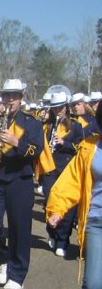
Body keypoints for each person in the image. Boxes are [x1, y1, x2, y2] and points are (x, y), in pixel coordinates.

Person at [0, 79, 49, 289]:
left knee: (20, 228)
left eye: (14, 96)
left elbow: (37, 151)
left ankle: (18, 274)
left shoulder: (33, 123)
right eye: (7, 96)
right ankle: (2, 259)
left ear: (21, 98)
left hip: (20, 178)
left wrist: (16, 142)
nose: (10, 100)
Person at [46, 104, 102, 289]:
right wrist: (57, 208)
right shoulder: (91, 146)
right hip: (96, 222)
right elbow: (72, 180)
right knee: (92, 284)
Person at [41, 91, 83, 257]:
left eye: (60, 107)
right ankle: (52, 232)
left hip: (67, 167)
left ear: (66, 108)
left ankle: (62, 240)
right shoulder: (47, 125)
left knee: (68, 209)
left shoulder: (75, 125)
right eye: (55, 108)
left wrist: (64, 143)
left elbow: (81, 148)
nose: (58, 110)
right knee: (49, 202)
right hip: (49, 168)